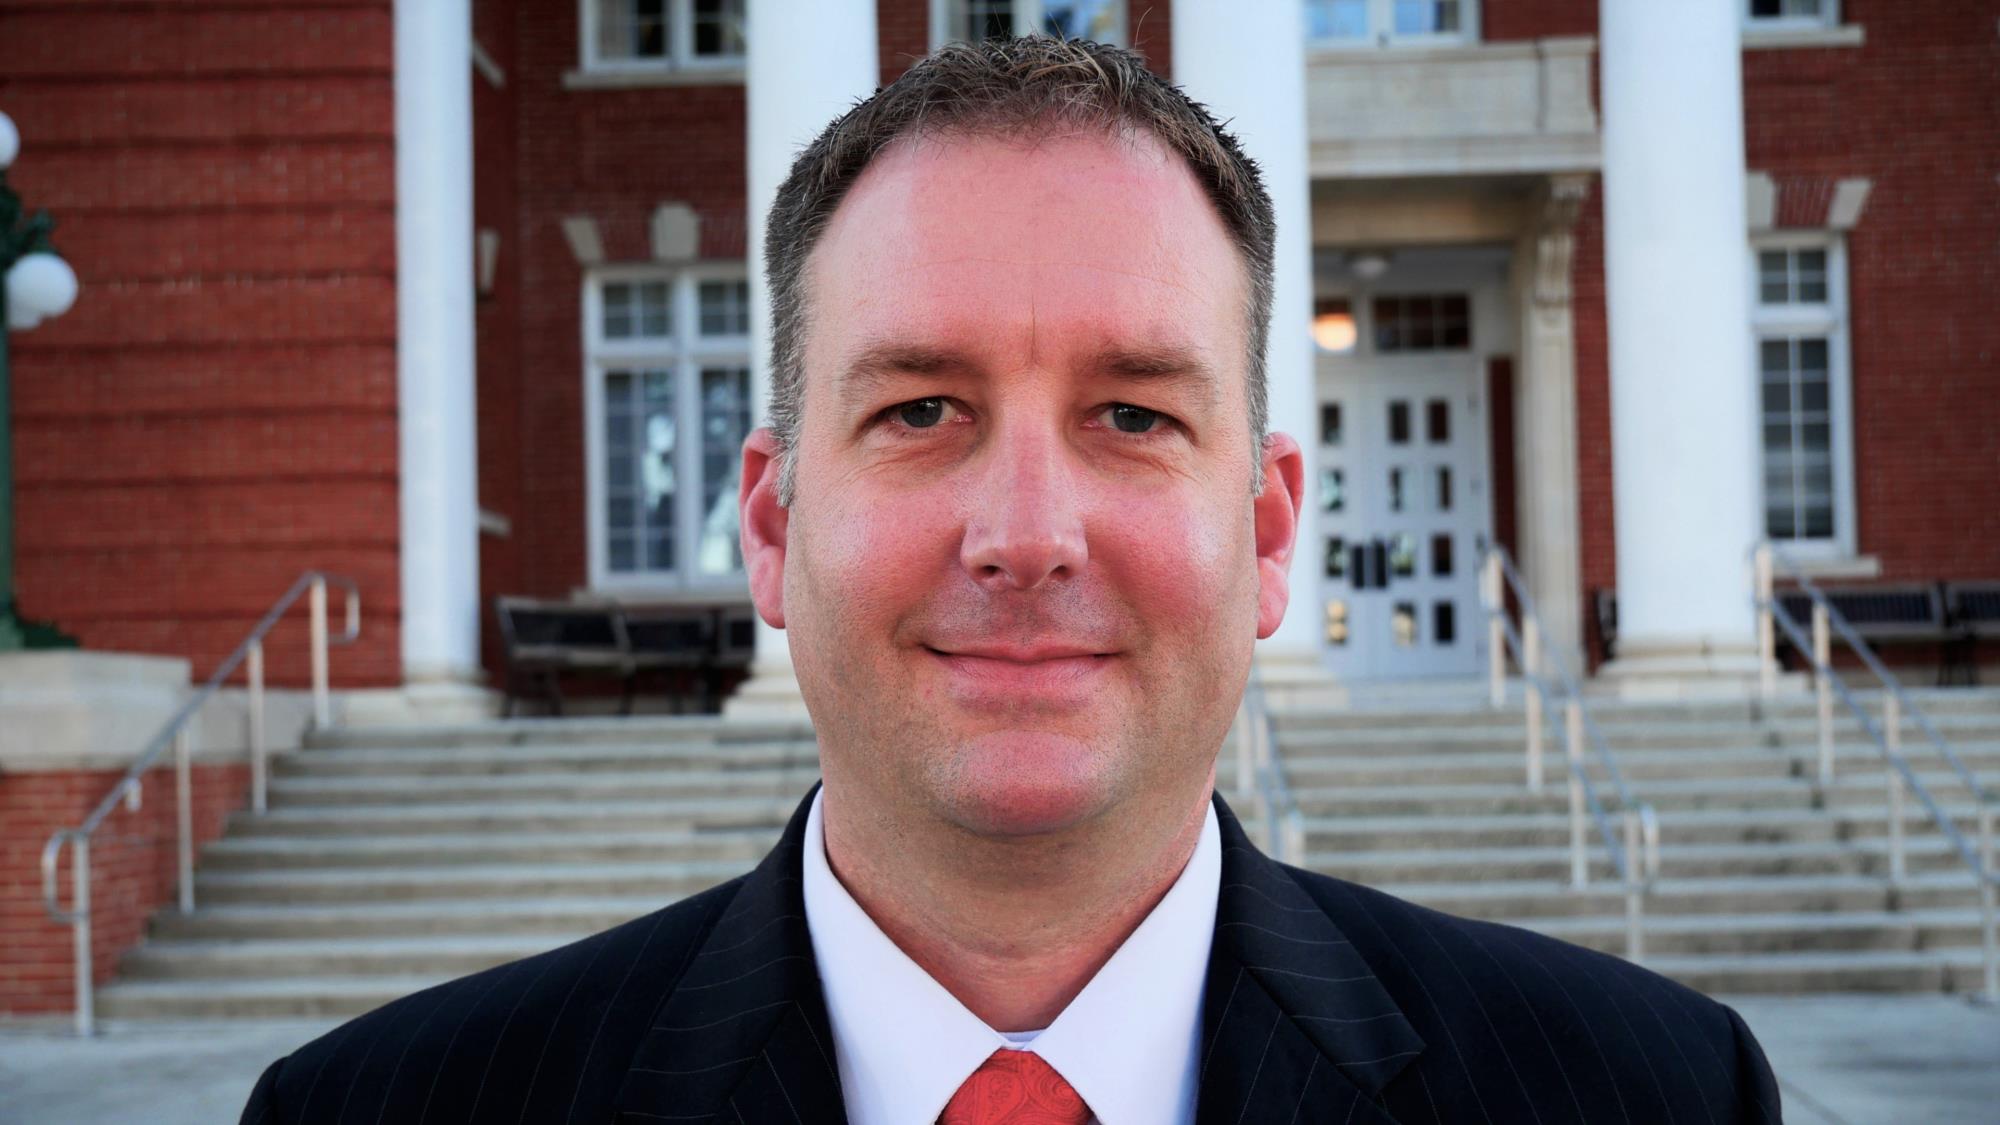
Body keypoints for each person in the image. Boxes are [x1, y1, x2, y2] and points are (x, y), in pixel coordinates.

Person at [241, 37, 1779, 1124]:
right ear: (770, 525)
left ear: (1263, 532)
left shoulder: (1653, 1093)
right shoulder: (380, 1108)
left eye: (1133, 413)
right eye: (920, 410)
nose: (1027, 532)